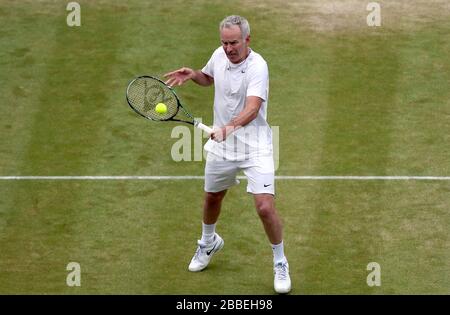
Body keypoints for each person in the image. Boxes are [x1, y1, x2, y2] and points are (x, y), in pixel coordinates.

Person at [164, 15, 291, 294]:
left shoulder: (259, 66)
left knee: (265, 207)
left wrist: (228, 128)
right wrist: (195, 75)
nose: (228, 48)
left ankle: (280, 261)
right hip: (223, 146)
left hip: (255, 146)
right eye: (224, 43)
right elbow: (209, 78)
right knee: (212, 197)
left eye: (233, 42)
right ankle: (208, 242)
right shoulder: (218, 55)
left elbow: (253, 107)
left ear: (247, 39)